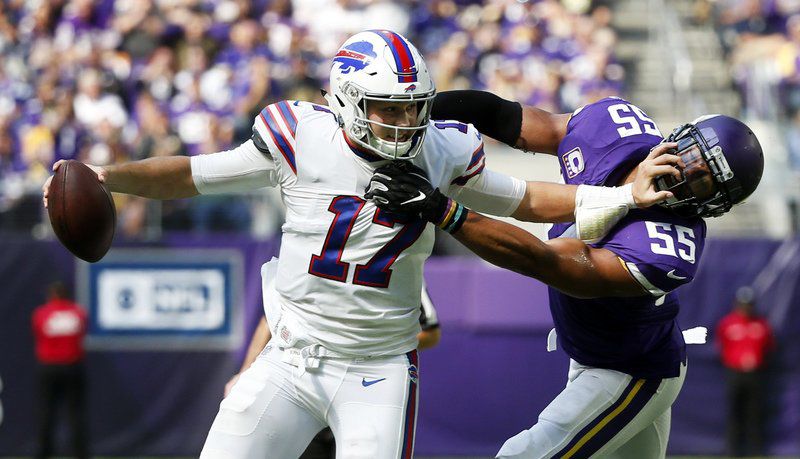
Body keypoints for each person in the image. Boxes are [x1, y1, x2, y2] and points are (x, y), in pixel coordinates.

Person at [43, 30, 671, 457]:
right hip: (290, 358)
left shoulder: (440, 148)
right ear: (344, 100)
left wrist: (624, 198)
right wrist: (110, 177)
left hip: (378, 370)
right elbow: (192, 172)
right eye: (386, 109)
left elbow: (528, 199)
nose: (403, 124)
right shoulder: (297, 135)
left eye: (412, 109)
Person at [367, 90, 764, 458]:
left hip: (631, 372)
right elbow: (506, 119)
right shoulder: (613, 127)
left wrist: (445, 212)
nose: (684, 173)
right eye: (691, 155)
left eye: (704, 180)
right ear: (679, 135)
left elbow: (545, 261)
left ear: (713, 205)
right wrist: (417, 113)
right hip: (591, 351)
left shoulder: (666, 247)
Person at [224, 286, 442, 459]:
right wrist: (246, 371)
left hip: (364, 385)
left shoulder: (397, 260)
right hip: (306, 379)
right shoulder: (308, 249)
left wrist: (377, 346)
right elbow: (273, 315)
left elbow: (431, 331)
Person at [31, 281, 89, 459]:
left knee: (47, 412)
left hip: (49, 367)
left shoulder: (41, 313)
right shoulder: (78, 313)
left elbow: (38, 333)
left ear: (52, 295)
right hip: (72, 366)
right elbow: (81, 333)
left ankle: (44, 453)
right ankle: (80, 454)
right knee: (76, 414)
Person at [716, 286, 775, 457]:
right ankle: (733, 451)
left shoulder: (761, 324)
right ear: (737, 304)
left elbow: (769, 347)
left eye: (748, 305)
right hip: (734, 373)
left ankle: (755, 450)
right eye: (743, 304)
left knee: (754, 412)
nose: (745, 308)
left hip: (755, 374)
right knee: (735, 412)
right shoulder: (728, 323)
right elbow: (722, 346)